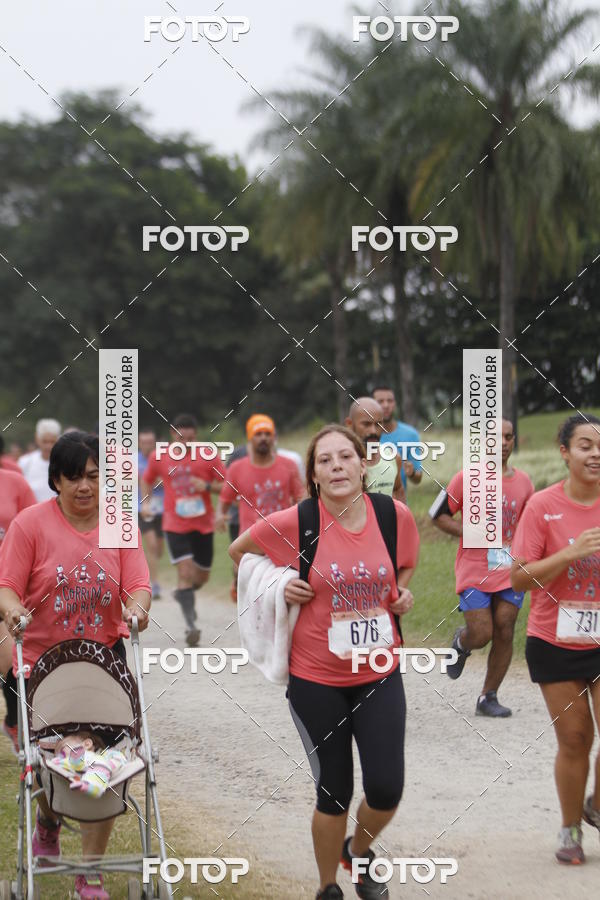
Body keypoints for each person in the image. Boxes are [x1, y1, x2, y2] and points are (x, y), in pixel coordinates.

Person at [229, 424, 419, 900]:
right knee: (333, 788)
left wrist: (400, 596)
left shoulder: (392, 514)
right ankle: (328, 887)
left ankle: (358, 851)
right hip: (316, 678)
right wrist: (279, 580)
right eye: (324, 460)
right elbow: (240, 553)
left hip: (378, 670)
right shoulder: (298, 520)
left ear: (363, 465)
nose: (336, 466)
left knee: (386, 788)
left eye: (345, 457)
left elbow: (402, 565)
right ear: (312, 474)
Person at [0, 430, 151, 900]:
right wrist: (12, 611)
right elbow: (6, 586)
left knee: (104, 763)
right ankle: (47, 819)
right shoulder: (30, 525)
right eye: (73, 478)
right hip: (39, 664)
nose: (85, 487)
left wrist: (137, 609)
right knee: (52, 760)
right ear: (56, 481)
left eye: (94, 476)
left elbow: (139, 584)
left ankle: (91, 873)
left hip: (103, 662)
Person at [511, 414, 600, 864]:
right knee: (575, 739)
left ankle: (598, 805)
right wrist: (570, 553)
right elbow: (519, 577)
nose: (596, 453)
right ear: (564, 452)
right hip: (555, 640)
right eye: (585, 445)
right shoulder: (542, 506)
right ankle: (569, 831)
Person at [430, 419, 534, 716]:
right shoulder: (466, 478)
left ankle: (488, 697)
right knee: (483, 631)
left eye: (508, 437)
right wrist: (469, 531)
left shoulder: (525, 483)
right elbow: (437, 514)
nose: (502, 443)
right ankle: (462, 643)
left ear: (514, 441)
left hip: (509, 568)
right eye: (495, 437)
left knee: (505, 626)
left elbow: (531, 526)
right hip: (474, 569)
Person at [141, 413, 225, 646]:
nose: (185, 443)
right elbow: (146, 479)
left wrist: (207, 486)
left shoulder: (208, 456)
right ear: (172, 434)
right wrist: (146, 502)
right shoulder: (160, 457)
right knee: (185, 571)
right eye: (181, 438)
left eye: (190, 439)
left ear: (195, 437)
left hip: (203, 523)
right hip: (175, 524)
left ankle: (183, 593)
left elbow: (226, 486)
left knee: (202, 576)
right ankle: (191, 626)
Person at [215, 414, 305, 600]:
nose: (263, 438)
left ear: (274, 437)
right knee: (252, 593)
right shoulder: (237, 468)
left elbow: (300, 497)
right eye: (258, 434)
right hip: (250, 539)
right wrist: (219, 516)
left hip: (283, 537)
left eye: (267, 433)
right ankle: (238, 581)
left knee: (282, 589)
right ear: (250, 437)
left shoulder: (288, 465)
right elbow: (225, 499)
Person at [0, 465, 36, 752]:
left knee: (10, 658)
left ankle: (14, 719)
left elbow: (35, 527)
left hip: (6, 581)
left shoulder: (14, 483)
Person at [345, 397, 406, 502]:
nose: (373, 431)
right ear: (350, 424)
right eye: (366, 424)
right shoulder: (339, 463)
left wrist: (401, 517)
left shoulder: (392, 457)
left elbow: (398, 490)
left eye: (378, 424)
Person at [372, 386, 422, 495]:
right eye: (380, 401)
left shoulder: (411, 435)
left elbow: (418, 478)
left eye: (390, 401)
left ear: (395, 404)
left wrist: (412, 473)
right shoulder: (365, 435)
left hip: (398, 504)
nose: (386, 405)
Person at [138, 428, 165, 600]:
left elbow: (166, 480)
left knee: (159, 550)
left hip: (162, 509)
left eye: (150, 442)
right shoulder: (133, 460)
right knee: (152, 546)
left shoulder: (161, 459)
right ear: (139, 444)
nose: (148, 446)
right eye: (144, 442)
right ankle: (153, 583)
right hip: (142, 508)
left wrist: (147, 479)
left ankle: (148, 571)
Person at [18, 418, 61, 501]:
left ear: (58, 440)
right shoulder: (25, 462)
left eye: (52, 442)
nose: (48, 446)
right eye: (45, 441)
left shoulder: (64, 463)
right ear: (37, 439)